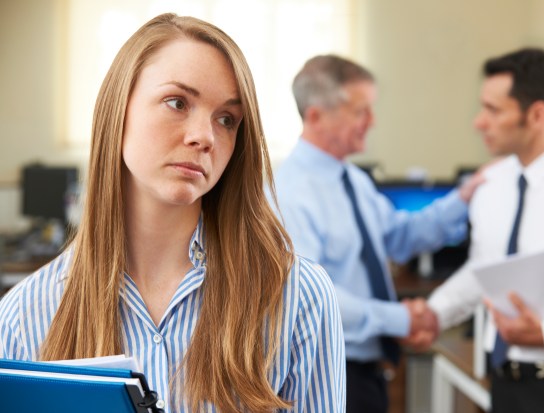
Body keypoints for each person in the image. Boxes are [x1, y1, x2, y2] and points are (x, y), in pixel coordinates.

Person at [0, 13, 346, 413]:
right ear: (119, 109)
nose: (204, 136)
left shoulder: (299, 298)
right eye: (177, 102)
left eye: (227, 120)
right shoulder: (24, 316)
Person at [270, 54, 482, 413]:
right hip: (326, 376)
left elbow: (401, 235)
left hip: (367, 374)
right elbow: (310, 298)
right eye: (360, 111)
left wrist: (463, 198)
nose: (372, 121)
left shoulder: (354, 181)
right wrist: (400, 318)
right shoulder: (288, 192)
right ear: (316, 116)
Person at [412, 48, 544, 413]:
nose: (479, 122)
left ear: (537, 114)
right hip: (506, 385)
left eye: (493, 110)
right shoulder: (491, 183)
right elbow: (484, 269)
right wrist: (435, 312)